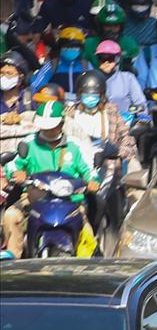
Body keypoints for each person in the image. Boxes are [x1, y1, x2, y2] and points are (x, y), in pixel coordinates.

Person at [3, 100, 100, 257]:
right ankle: (14, 263)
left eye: (52, 126)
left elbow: (89, 169)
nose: (48, 130)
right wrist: (16, 174)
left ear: (61, 124)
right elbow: (12, 166)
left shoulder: (74, 145)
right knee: (10, 216)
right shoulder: (29, 143)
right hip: (35, 199)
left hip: (70, 201)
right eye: (44, 127)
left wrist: (93, 181)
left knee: (86, 230)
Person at [92, 40, 147, 128]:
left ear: (117, 59)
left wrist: (143, 119)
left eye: (110, 59)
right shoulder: (91, 78)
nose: (106, 62)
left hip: (125, 125)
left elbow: (140, 102)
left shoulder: (128, 78)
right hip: (97, 125)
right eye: (102, 58)